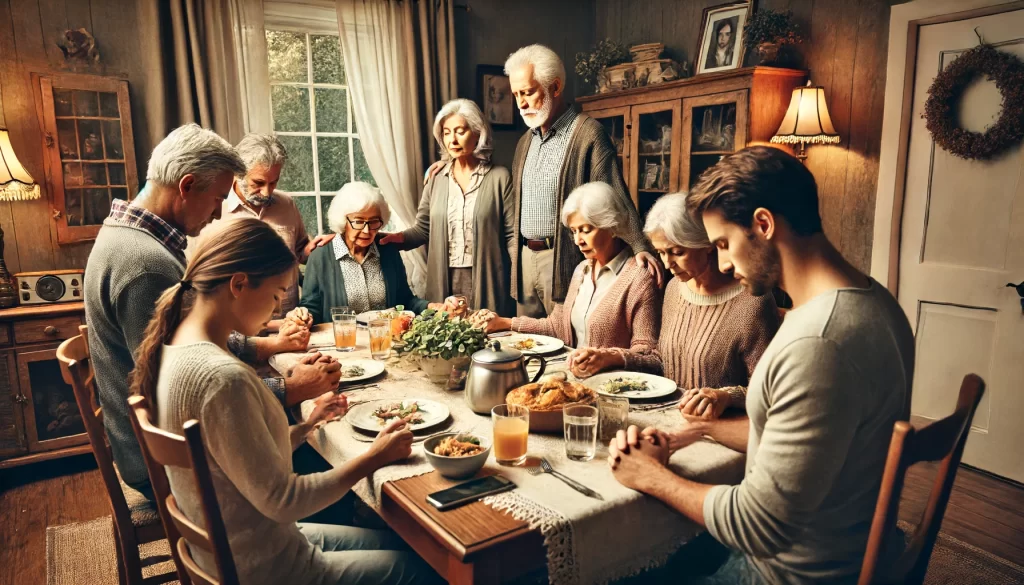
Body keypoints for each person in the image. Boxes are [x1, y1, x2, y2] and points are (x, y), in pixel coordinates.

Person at [608, 146, 915, 584]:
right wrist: (701, 430)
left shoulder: (818, 341)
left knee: (617, 570)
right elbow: (814, 441)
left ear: (764, 225)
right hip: (847, 541)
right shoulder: (879, 303)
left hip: (785, 572)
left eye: (723, 244)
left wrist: (651, 475)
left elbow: (758, 526)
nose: (723, 263)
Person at [129, 218, 440, 585]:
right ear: (239, 284)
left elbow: (239, 455)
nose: (276, 310)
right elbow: (285, 499)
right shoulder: (221, 378)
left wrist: (307, 425)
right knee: (427, 569)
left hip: (244, 546)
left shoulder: (175, 348)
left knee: (400, 542)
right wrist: (375, 457)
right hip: (268, 569)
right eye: (277, 295)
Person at [85, 124, 340, 501]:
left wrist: (268, 349)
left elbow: (196, 342)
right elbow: (183, 387)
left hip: (158, 439)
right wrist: (290, 388)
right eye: (219, 197)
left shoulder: (125, 235)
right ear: (186, 186)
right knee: (322, 461)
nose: (221, 210)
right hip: (163, 460)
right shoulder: (146, 266)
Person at [430, 45, 660, 318]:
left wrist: (639, 246)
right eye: (516, 95)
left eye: (528, 92)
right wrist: (447, 163)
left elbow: (616, 194)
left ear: (555, 86)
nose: (521, 103)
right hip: (525, 259)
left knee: (564, 341)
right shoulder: (525, 142)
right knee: (525, 342)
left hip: (563, 257)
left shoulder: (588, 134)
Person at [644, 192, 779, 450]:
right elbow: (665, 360)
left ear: (707, 244)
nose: (667, 263)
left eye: (677, 252)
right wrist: (615, 357)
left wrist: (724, 396)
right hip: (668, 427)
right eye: (660, 253)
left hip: (725, 438)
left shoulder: (753, 303)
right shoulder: (674, 288)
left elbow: (770, 392)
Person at [484, 182, 661, 377]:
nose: (578, 241)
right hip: (575, 380)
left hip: (615, 388)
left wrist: (608, 357)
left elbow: (649, 355)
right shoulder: (581, 270)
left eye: (586, 230)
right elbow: (557, 326)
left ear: (611, 226)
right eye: (574, 231)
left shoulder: (639, 278)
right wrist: (505, 322)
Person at [379, 99, 516, 317]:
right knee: (447, 339)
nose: (452, 139)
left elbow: (512, 235)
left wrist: (518, 280)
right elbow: (422, 229)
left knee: (488, 339)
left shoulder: (500, 177)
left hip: (488, 278)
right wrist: (388, 239)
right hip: (444, 278)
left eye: (460, 131)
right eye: (446, 132)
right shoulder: (436, 179)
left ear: (477, 133)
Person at [193, 133, 333, 326]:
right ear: (238, 172)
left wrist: (310, 250)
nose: (267, 192)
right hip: (237, 331)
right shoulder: (215, 209)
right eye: (258, 183)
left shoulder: (287, 204)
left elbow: (299, 253)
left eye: (273, 182)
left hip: (289, 323)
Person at [301, 182, 452, 325]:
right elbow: (311, 307)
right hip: (343, 344)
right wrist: (304, 317)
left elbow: (405, 301)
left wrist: (433, 307)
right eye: (359, 222)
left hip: (385, 340)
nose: (367, 231)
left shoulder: (388, 251)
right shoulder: (321, 256)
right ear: (343, 221)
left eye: (374, 222)